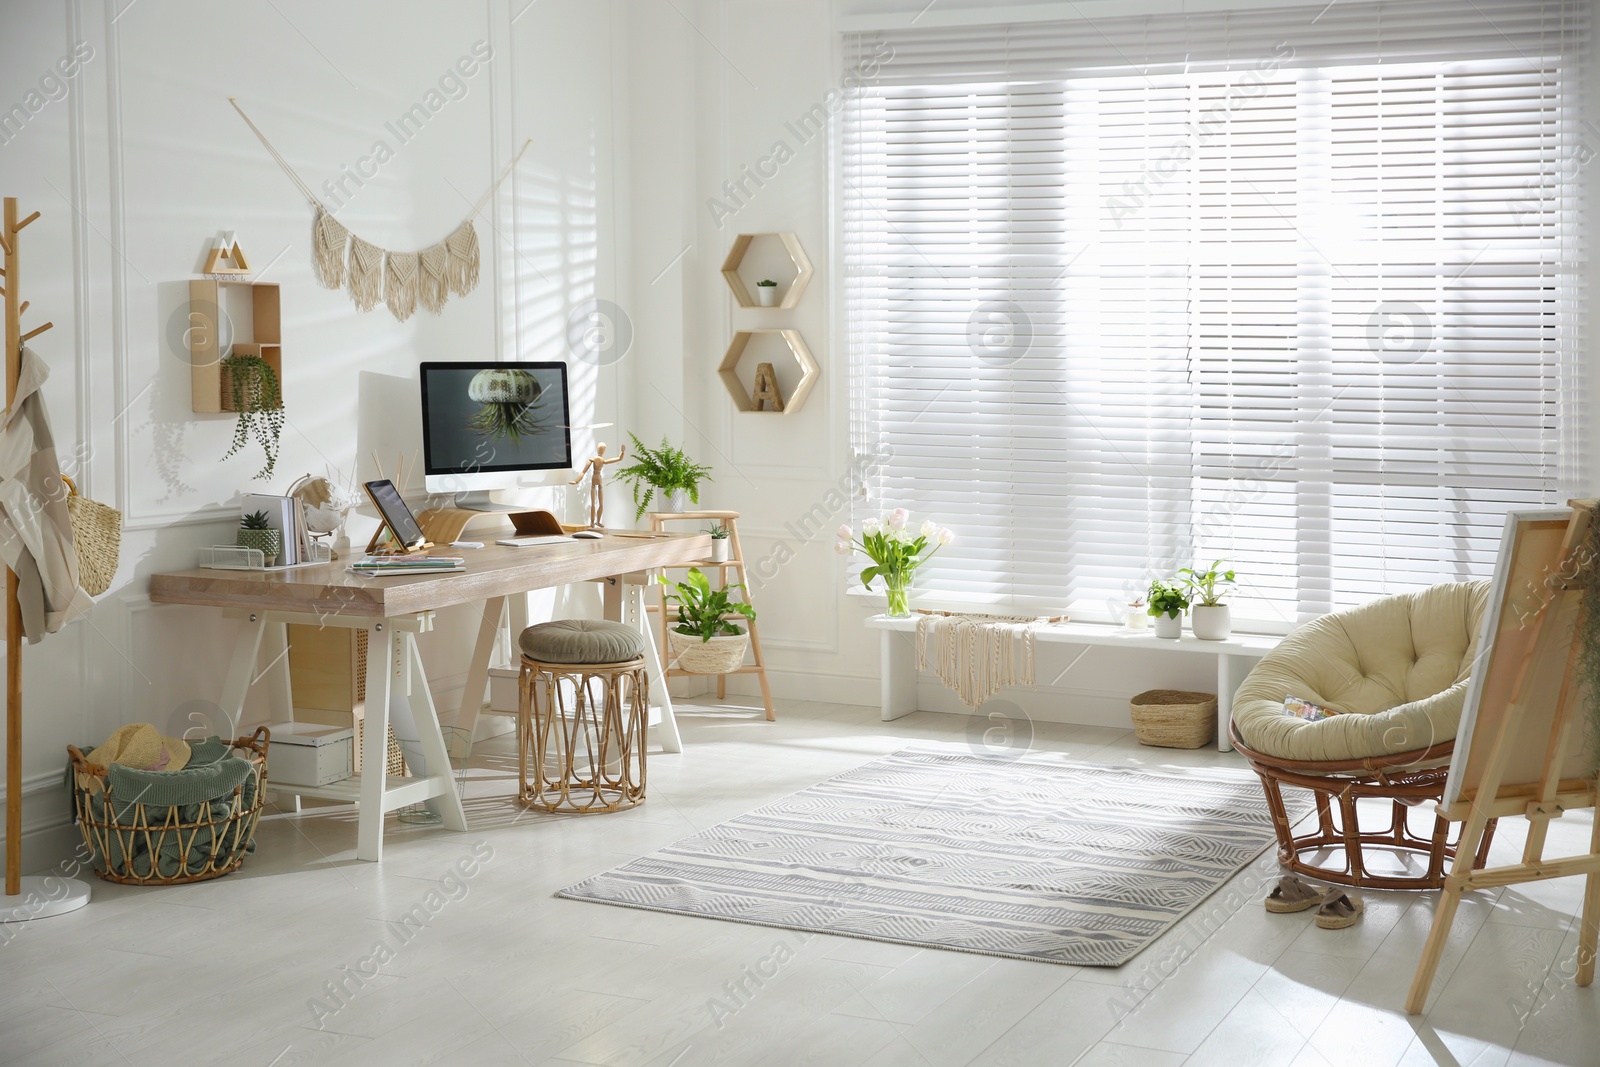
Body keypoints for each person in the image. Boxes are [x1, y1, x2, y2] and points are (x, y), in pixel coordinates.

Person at [569, 442, 625, 528]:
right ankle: (593, 522)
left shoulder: (597, 460)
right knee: (594, 504)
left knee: (599, 504)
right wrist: (576, 481)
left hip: (598, 480)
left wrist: (622, 452)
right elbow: (618, 459)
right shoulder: (597, 460)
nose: (602, 450)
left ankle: (597, 522)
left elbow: (618, 459)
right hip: (596, 479)